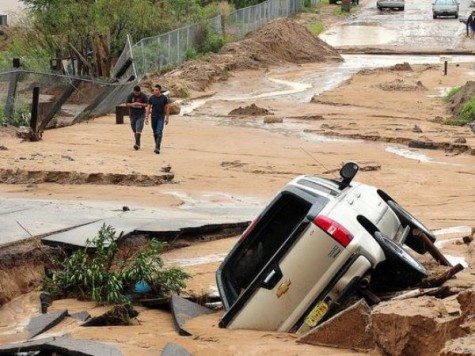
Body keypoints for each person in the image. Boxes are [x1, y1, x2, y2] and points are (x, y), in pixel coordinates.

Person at [146, 84, 170, 154]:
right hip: (153, 117)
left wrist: (167, 118)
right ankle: (156, 145)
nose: (154, 91)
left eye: (156, 90)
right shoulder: (151, 98)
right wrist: (147, 117)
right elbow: (148, 107)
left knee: (158, 132)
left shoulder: (164, 98)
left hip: (161, 117)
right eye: (154, 90)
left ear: (160, 90)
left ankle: (157, 147)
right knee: (155, 132)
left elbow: (167, 107)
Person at [125, 85, 148, 150]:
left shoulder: (143, 96)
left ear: (140, 91)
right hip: (132, 114)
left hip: (141, 114)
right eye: (136, 93)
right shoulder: (130, 95)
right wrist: (133, 104)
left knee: (139, 128)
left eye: (138, 93)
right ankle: (138, 142)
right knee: (134, 129)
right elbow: (127, 104)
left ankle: (137, 144)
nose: (137, 94)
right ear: (133, 91)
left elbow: (147, 104)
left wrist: (140, 104)